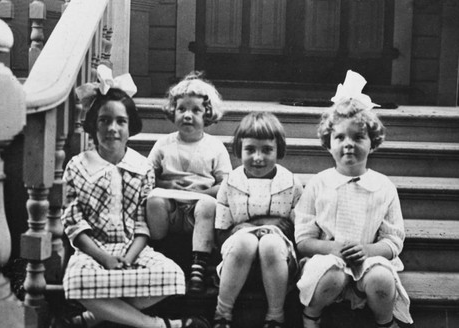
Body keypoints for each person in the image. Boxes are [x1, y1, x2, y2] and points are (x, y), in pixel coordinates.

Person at [61, 65, 210, 328]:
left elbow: (143, 224)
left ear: (131, 127)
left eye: (121, 121)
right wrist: (104, 258)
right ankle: (161, 325)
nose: (112, 128)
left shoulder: (141, 168)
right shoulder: (77, 165)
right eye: (104, 120)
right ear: (93, 126)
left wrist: (128, 259)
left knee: (173, 275)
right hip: (92, 252)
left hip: (133, 249)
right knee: (75, 281)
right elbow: (74, 222)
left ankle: (93, 316)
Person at [294, 70, 413, 328]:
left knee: (382, 279)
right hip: (327, 258)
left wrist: (368, 251)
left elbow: (393, 240)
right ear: (328, 144)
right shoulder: (319, 183)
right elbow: (303, 240)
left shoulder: (383, 186)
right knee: (331, 275)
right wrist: (333, 249)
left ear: (373, 143)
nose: (349, 144)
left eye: (358, 137)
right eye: (340, 137)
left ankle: (385, 321)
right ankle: (312, 314)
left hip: (368, 258)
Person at [212, 112, 303, 328]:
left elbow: (300, 232)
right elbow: (221, 231)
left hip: (277, 264)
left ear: (278, 150)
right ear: (239, 150)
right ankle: (222, 313)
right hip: (237, 261)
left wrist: (260, 226)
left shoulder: (290, 183)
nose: (258, 157)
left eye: (267, 150)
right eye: (250, 149)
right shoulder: (231, 183)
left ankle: (275, 316)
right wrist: (258, 228)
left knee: (271, 243)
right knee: (246, 241)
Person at [146, 72, 232, 294]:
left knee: (208, 205)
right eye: (181, 109)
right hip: (170, 208)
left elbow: (226, 183)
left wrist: (205, 191)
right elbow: (147, 176)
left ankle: (198, 266)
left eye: (196, 110)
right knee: (153, 201)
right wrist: (166, 187)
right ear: (172, 111)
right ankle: (157, 252)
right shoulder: (163, 144)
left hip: (199, 211)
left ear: (208, 115)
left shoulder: (215, 147)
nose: (187, 115)